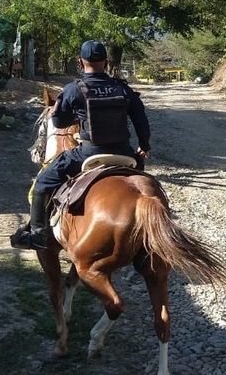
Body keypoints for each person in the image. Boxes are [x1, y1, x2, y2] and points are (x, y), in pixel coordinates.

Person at [10, 40, 151, 250]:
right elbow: (141, 119)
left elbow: (58, 122)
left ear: (79, 62)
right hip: (124, 153)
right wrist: (144, 146)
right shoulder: (122, 88)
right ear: (106, 61)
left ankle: (38, 236)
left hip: (88, 153)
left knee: (42, 182)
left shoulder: (73, 89)